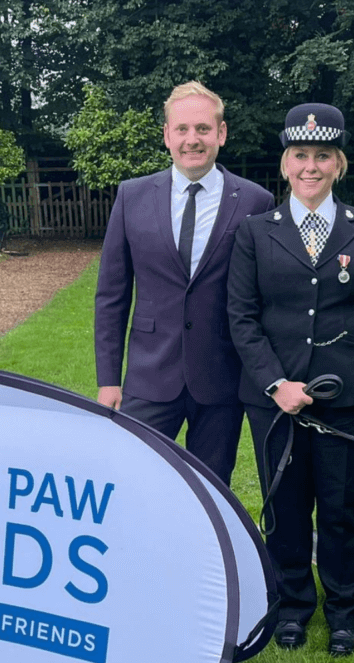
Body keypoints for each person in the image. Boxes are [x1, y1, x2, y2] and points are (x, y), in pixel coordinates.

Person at [227, 102, 354, 656]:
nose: (311, 166)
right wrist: (274, 383)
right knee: (285, 505)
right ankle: (292, 606)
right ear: (284, 165)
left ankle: (346, 610)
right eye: (300, 155)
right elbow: (241, 315)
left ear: (338, 163)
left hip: (346, 393)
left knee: (343, 505)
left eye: (322, 156)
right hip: (274, 400)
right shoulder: (255, 232)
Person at [94, 81, 275, 485]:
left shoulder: (254, 202)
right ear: (167, 135)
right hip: (149, 376)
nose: (192, 140)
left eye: (203, 129)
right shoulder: (132, 197)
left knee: (210, 493)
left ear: (221, 134)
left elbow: (270, 294)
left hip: (221, 380)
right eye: (182, 130)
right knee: (134, 483)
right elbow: (111, 296)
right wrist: (108, 380)